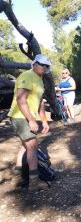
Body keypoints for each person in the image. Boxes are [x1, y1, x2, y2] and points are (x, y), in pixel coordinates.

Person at [8, 54, 52, 193]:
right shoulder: (27, 75)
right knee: (32, 145)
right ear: (34, 63)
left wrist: (44, 120)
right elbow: (21, 100)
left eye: (46, 65)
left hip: (26, 116)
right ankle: (33, 183)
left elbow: (40, 103)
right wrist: (31, 120)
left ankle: (18, 173)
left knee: (25, 145)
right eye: (41, 64)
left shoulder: (39, 79)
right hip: (20, 116)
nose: (44, 67)